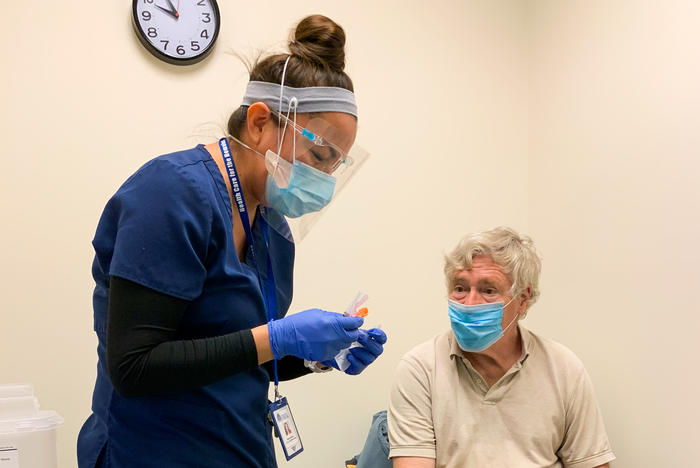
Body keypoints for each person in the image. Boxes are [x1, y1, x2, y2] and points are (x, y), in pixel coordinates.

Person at [77, 15, 386, 468]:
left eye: (335, 165)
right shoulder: (170, 194)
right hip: (150, 454)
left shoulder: (273, 230)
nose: (322, 178)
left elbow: (242, 357)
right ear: (260, 121)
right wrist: (281, 336)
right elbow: (135, 367)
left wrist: (319, 354)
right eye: (319, 155)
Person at [388, 227, 614, 468]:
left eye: (488, 290)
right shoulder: (420, 367)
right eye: (460, 288)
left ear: (523, 299)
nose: (470, 303)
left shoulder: (563, 368)